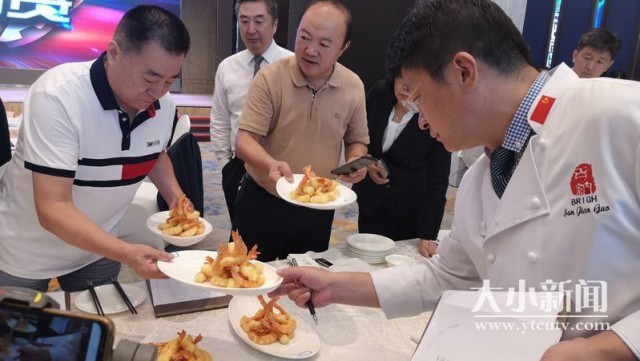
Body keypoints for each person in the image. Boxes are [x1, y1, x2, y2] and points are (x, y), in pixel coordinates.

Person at [271, 0, 640, 359]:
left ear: (463, 72)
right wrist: (335, 286)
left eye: (418, 98)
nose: (421, 120)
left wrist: (610, 347)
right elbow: (446, 277)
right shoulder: (482, 175)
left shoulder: (618, 113)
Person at [0, 5, 191, 292]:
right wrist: (125, 252)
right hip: (27, 253)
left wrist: (177, 199)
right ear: (113, 52)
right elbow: (53, 207)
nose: (159, 92)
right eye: (150, 79)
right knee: (21, 333)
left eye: (169, 81)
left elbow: (153, 154)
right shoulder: (59, 96)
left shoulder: (163, 105)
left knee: (98, 328)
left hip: (98, 247)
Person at [234, 0, 369, 262]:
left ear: (344, 47)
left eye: (324, 44)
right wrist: (270, 164)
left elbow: (357, 140)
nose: (310, 50)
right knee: (247, 277)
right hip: (264, 200)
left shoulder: (353, 86)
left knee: (305, 283)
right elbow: (244, 140)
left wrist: (355, 161)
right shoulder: (270, 78)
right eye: (304, 37)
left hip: (317, 207)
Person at [210, 0, 293, 223]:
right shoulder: (227, 67)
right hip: (238, 165)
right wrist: (225, 163)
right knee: (241, 234)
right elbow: (220, 119)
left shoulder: (292, 65)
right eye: (244, 21)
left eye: (259, 20)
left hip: (280, 167)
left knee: (277, 232)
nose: (251, 29)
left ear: (274, 24)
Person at [352, 75, 450, 258]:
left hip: (408, 206)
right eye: (400, 78)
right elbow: (359, 135)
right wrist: (367, 161)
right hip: (371, 201)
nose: (405, 87)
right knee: (366, 257)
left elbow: (438, 179)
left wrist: (428, 233)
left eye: (413, 81)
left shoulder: (436, 114)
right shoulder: (381, 93)